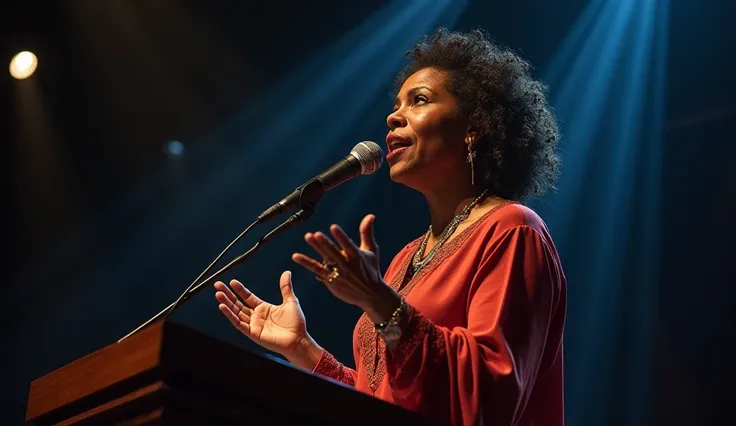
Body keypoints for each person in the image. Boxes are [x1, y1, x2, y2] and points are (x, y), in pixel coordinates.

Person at [214, 27, 565, 426]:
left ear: (474, 126)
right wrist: (302, 350)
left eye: (419, 101)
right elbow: (382, 400)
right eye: (397, 103)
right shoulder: (403, 261)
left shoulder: (512, 230)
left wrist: (382, 303)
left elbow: (488, 395)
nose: (393, 115)